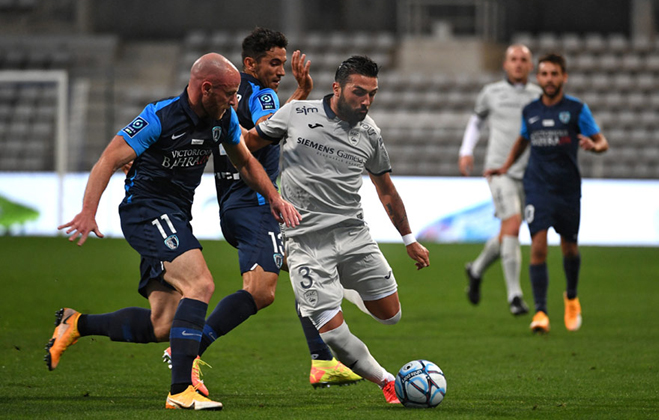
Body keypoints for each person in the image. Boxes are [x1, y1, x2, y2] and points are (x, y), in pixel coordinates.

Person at [46, 52, 301, 410]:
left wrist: (273, 197)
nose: (234, 101)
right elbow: (108, 159)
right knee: (201, 284)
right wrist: (88, 212)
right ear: (206, 88)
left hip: (176, 217)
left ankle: (77, 324)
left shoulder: (223, 119)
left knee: (163, 324)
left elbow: (245, 161)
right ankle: (181, 390)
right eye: (229, 94)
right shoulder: (159, 117)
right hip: (146, 211)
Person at [162, 27, 361, 389]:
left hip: (236, 206)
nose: (280, 71)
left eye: (283, 64)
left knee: (309, 271)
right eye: (274, 63)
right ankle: (188, 349)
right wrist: (301, 97)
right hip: (256, 207)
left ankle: (323, 361)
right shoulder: (263, 95)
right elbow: (261, 136)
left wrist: (299, 95)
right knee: (260, 291)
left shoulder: (226, 99)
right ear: (250, 63)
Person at [243, 55, 431, 404]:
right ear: (337, 88)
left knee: (391, 316)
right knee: (334, 335)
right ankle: (388, 382)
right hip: (305, 244)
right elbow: (247, 145)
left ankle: (340, 286)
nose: (366, 101)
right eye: (359, 92)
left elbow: (386, 189)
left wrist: (410, 240)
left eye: (372, 94)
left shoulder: (370, 133)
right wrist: (267, 192)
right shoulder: (297, 113)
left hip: (354, 236)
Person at [486, 53, 608, 333]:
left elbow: (602, 142)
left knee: (569, 247)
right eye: (544, 74)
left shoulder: (576, 110)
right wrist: (503, 168)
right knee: (538, 247)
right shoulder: (530, 110)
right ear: (537, 77)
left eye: (554, 74)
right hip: (537, 187)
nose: (549, 79)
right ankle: (541, 312)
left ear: (563, 77)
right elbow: (522, 141)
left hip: (567, 189)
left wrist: (595, 146)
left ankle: (572, 297)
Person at [458, 44, 541, 315]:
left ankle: (477, 269)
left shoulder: (539, 95)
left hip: (529, 174)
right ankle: (515, 295)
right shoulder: (491, 93)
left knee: (507, 231)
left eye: (523, 60)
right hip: (499, 171)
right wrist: (466, 151)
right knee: (513, 224)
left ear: (531, 66)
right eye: (513, 59)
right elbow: (476, 122)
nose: (518, 64)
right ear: (505, 65)